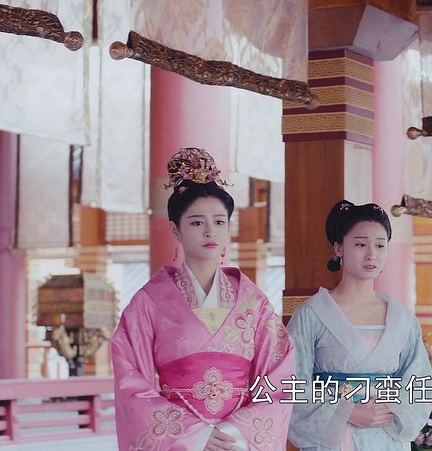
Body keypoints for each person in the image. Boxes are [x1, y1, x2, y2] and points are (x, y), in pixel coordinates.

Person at [112, 147, 295, 451]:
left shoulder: (254, 303)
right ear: (176, 229)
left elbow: (279, 378)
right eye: (197, 223)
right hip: (180, 442)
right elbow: (131, 383)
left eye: (220, 222)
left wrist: (233, 433)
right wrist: (194, 435)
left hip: (237, 442)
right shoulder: (149, 302)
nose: (210, 231)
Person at [287, 200, 432, 451]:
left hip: (386, 437)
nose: (371, 254)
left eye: (380, 245)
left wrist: (389, 406)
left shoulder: (403, 319)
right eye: (360, 244)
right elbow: (291, 384)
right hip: (333, 439)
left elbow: (420, 382)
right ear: (338, 248)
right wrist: (347, 411)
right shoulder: (311, 315)